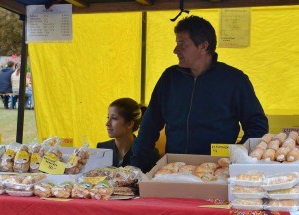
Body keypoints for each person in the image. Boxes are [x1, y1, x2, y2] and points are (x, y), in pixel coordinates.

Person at [131, 15, 268, 173]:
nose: (175, 50)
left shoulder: (234, 80)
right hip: (175, 170)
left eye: (182, 45)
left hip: (217, 171)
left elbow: (258, 126)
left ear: (203, 46)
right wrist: (136, 167)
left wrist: (238, 159)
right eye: (177, 44)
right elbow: (149, 126)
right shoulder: (170, 78)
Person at [97, 98, 159, 168]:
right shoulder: (102, 149)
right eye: (108, 117)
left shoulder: (149, 153)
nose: (107, 123)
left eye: (114, 118)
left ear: (129, 124)